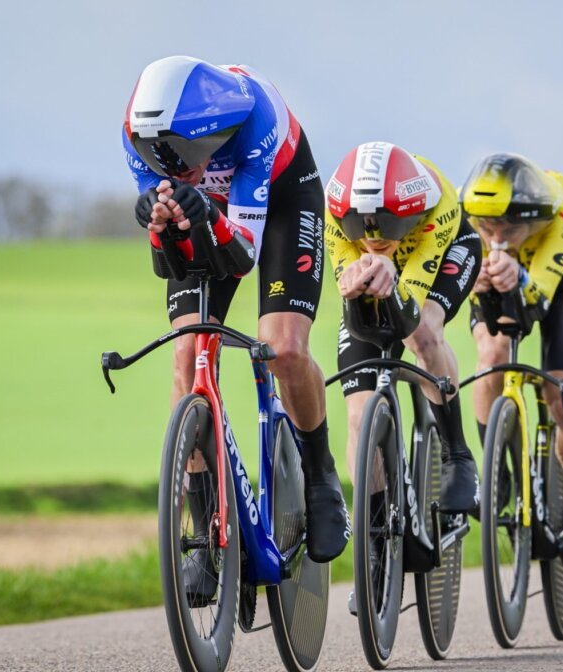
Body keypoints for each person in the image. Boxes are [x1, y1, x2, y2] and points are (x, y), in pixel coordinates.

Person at [123, 56, 349, 604]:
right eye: (157, 158)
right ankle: (205, 530)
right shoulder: (138, 135)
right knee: (187, 359)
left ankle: (320, 473)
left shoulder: (254, 120)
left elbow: (243, 256)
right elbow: (171, 263)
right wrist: (159, 226)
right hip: (208, 212)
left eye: (179, 156)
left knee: (284, 349)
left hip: (282, 202)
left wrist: (206, 212)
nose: (167, 167)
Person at [462, 153, 563, 591]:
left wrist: (520, 278)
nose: (496, 238)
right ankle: (499, 471)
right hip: (509, 276)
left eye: (508, 229)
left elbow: (540, 296)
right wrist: (474, 282)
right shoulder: (473, 219)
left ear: (532, 219)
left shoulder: (562, 207)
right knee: (491, 358)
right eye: (486, 228)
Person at [324, 141, 482, 514]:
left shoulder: (436, 204)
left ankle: (457, 454)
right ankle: (376, 523)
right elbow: (350, 288)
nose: (373, 235)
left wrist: (391, 275)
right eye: (359, 225)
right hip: (381, 269)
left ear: (409, 213)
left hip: (444, 253)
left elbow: (410, 304)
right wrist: (358, 282)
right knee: (359, 415)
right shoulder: (334, 214)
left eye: (387, 223)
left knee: (422, 331)